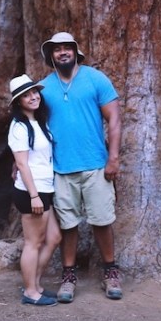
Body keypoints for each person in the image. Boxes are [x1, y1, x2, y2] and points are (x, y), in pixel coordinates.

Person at [40, 31, 123, 302]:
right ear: (51, 55)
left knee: (102, 220)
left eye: (67, 47)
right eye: (57, 49)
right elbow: (30, 125)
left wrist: (113, 158)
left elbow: (114, 119)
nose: (62, 52)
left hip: (96, 165)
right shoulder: (43, 88)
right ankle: (68, 276)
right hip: (60, 169)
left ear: (76, 51)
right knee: (68, 225)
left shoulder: (96, 79)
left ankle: (111, 272)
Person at [7, 74, 63, 306]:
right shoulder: (19, 127)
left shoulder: (38, 123)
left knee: (54, 237)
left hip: (44, 187)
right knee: (33, 242)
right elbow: (21, 164)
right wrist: (34, 196)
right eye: (26, 95)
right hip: (32, 191)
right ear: (18, 102)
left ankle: (35, 283)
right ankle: (30, 292)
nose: (33, 97)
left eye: (34, 92)